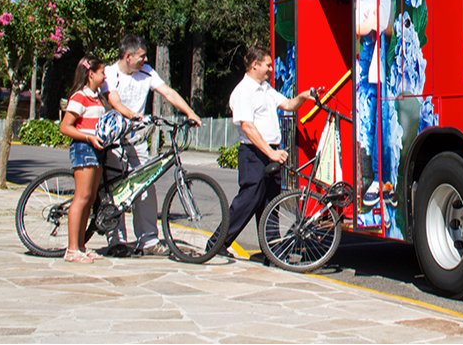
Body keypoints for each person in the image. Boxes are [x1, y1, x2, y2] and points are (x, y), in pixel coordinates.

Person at [102, 34, 203, 257]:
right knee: (116, 189)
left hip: (137, 140)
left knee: (146, 187)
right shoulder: (110, 73)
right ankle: (115, 240)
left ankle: (147, 240)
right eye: (141, 56)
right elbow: (114, 101)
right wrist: (133, 115)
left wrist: (190, 112)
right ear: (127, 56)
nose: (145, 59)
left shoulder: (147, 71)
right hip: (115, 139)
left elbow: (168, 92)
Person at [217, 46, 317, 254]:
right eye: (268, 65)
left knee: (271, 203)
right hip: (253, 153)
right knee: (248, 200)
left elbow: (289, 105)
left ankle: (272, 251)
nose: (271, 69)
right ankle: (217, 243)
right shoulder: (244, 91)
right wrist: (270, 153)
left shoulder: (266, 89)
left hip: (270, 151)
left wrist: (304, 96)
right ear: (255, 65)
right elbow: (247, 126)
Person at [58, 55, 107, 264]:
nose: (105, 76)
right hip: (85, 148)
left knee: (90, 199)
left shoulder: (97, 97)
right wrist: (88, 137)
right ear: (91, 74)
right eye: (102, 72)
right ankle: (71, 249)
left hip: (98, 149)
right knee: (82, 197)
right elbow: (65, 126)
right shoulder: (79, 97)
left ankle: (80, 245)